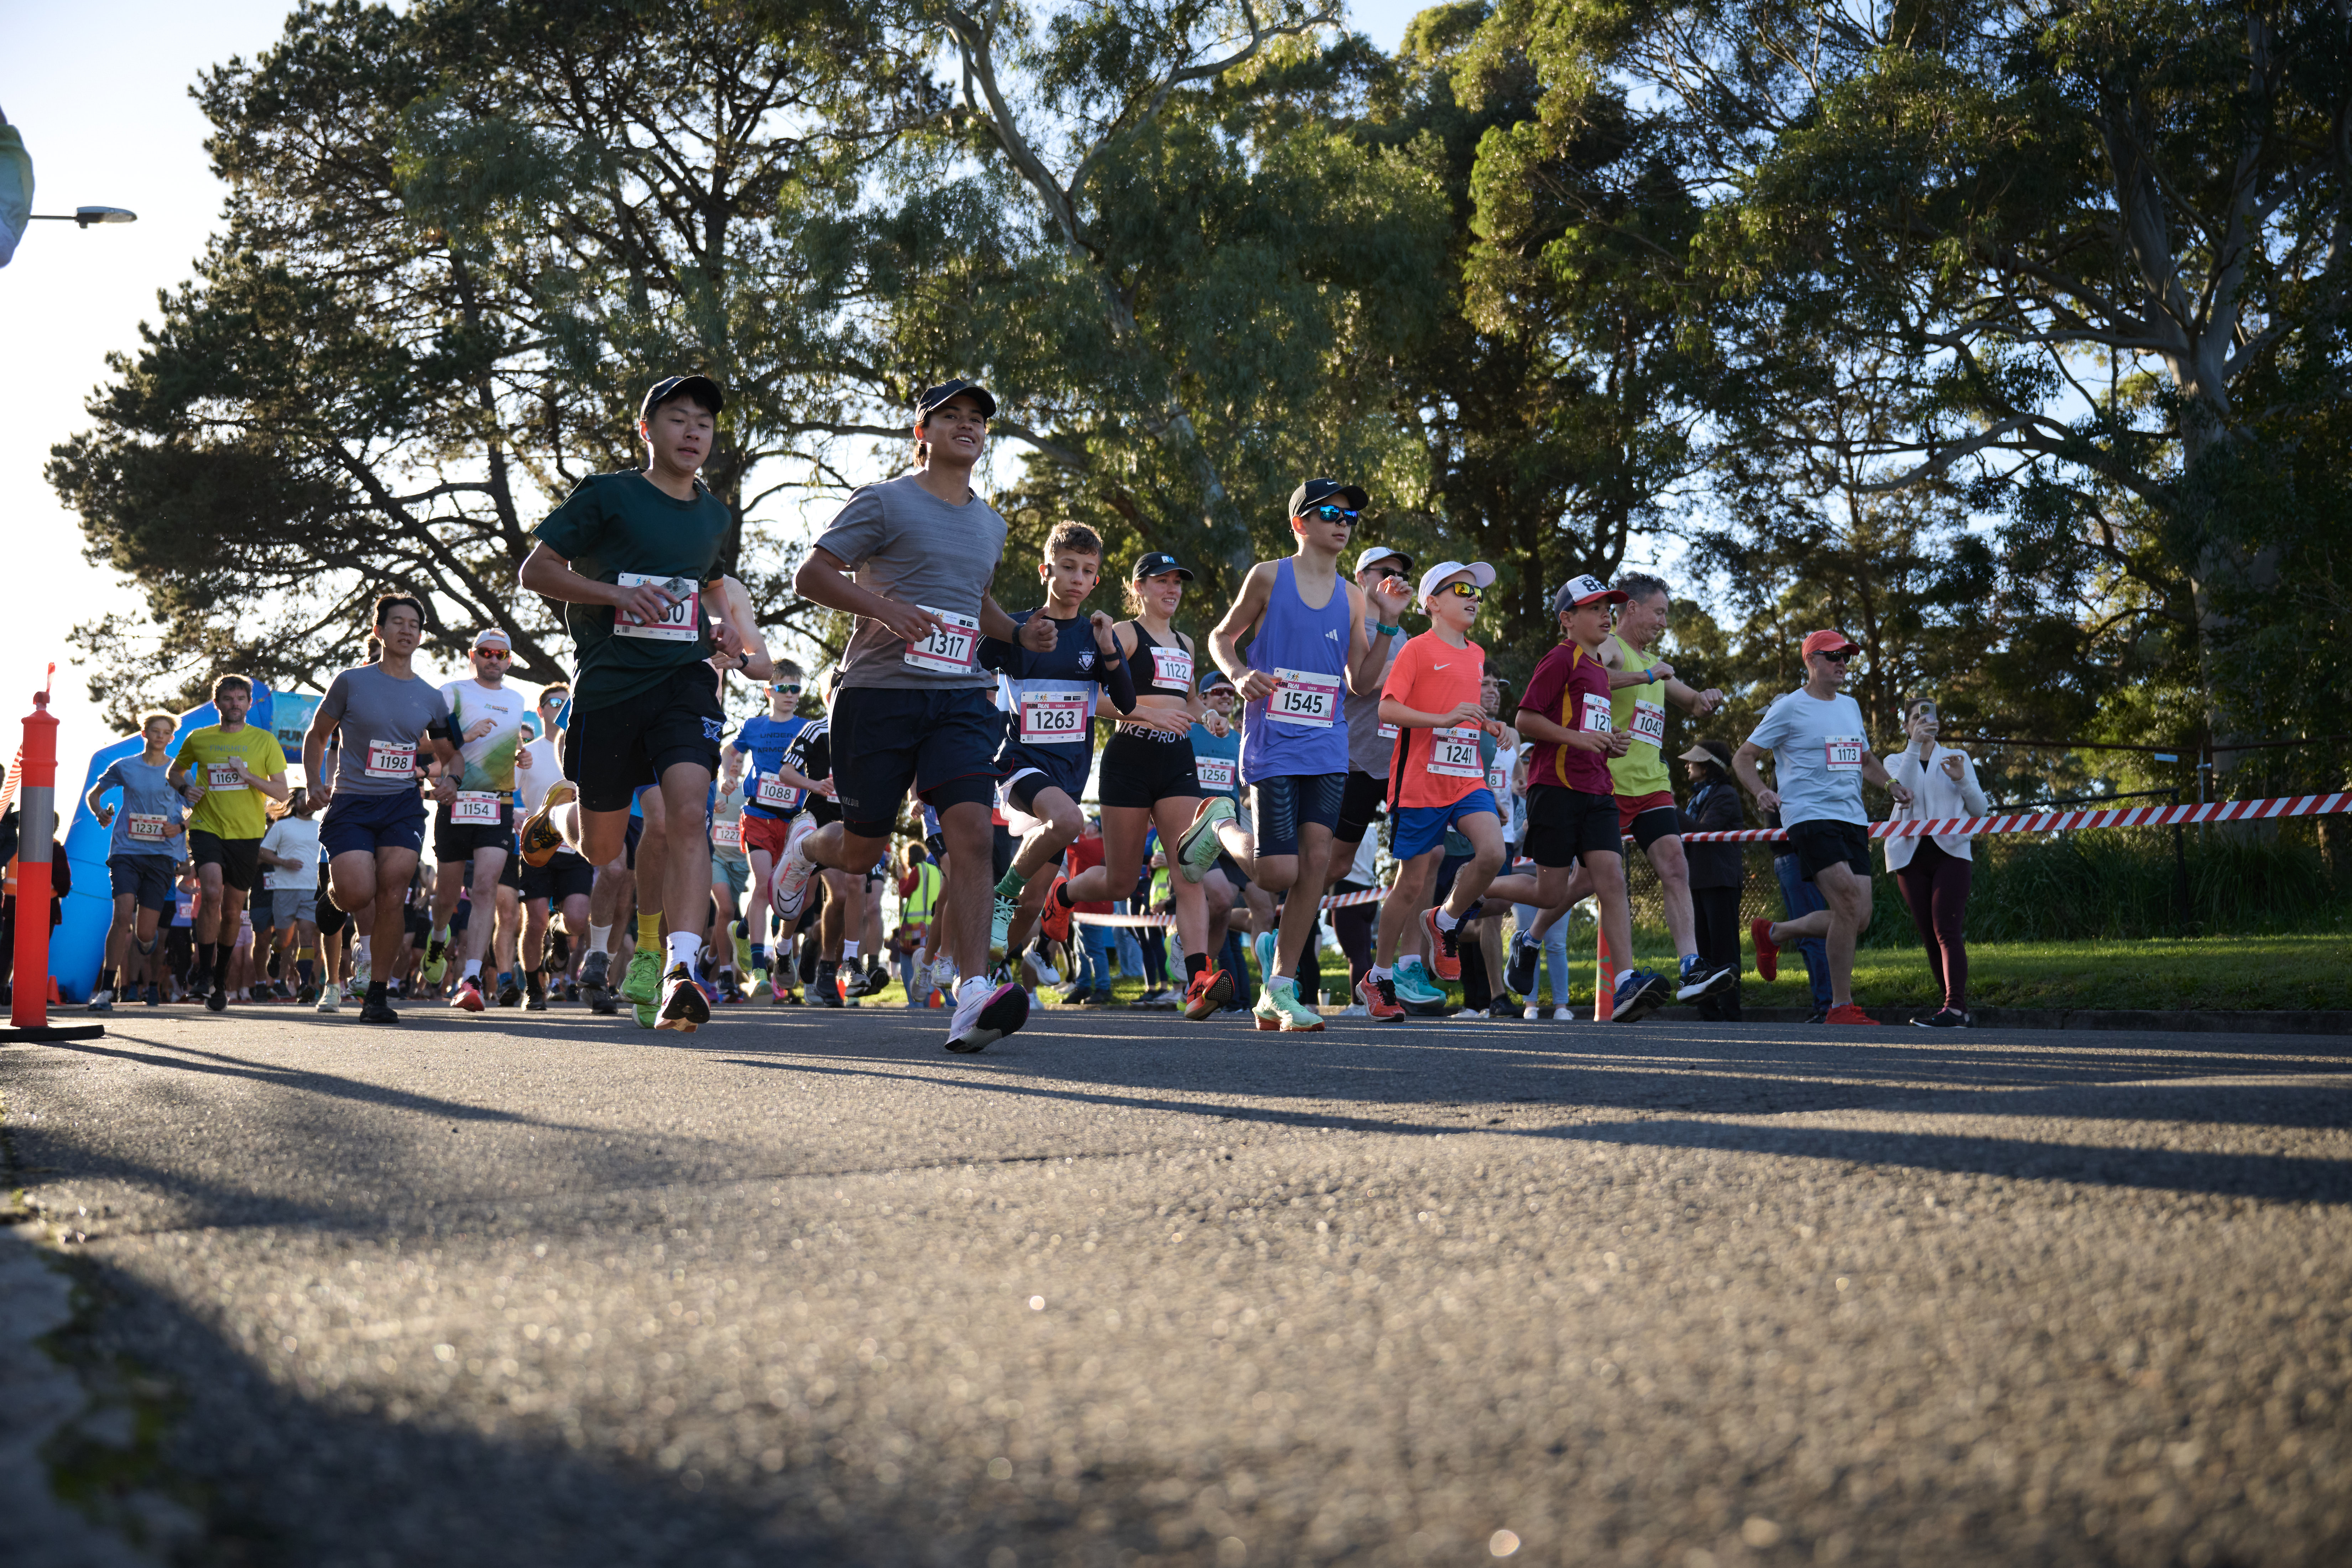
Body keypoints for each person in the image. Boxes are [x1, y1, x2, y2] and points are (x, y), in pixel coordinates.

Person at [773, 379, 1048, 1054]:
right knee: (862, 848)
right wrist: (883, 608)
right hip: (877, 693)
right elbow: (812, 576)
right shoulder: (884, 501)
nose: (967, 425)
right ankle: (807, 849)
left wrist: (1017, 632)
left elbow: (976, 604)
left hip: (960, 695)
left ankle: (973, 990)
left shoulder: (992, 522)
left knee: (973, 836)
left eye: (978, 418)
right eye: (949, 416)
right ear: (920, 432)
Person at [516, 373, 772, 1032]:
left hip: (683, 680)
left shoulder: (715, 514)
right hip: (608, 686)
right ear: (647, 429)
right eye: (678, 419)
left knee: (687, 812)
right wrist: (616, 596)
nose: (693, 432)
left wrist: (717, 629)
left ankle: (679, 972)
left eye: (704, 424)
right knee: (605, 852)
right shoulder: (609, 494)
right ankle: (561, 813)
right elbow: (537, 571)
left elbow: (709, 583)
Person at [1188, 479, 1399, 1031]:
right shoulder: (1268, 575)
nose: (1343, 522)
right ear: (1300, 524)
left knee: (1318, 863)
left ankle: (1278, 989)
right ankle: (1220, 822)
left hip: (1328, 745)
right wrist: (1238, 674)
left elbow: (1361, 681)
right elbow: (1221, 636)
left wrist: (1390, 624)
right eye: (1330, 512)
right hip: (1273, 742)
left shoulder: (1354, 598)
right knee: (1277, 870)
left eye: (1350, 516)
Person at [1034, 550, 1238, 1019]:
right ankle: (1062, 896)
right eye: (1161, 581)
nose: (1172, 589)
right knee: (1122, 879)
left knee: (1188, 870)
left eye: (1177, 582)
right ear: (1138, 588)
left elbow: (1185, 697)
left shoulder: (1186, 642)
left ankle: (1197, 977)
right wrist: (1148, 712)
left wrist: (1206, 715)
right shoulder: (1124, 633)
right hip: (1129, 756)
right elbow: (1093, 696)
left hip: (1176, 761)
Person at [1518, 571, 1734, 1008]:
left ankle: (1690, 965)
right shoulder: (1610, 648)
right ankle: (1530, 937)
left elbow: (1690, 701)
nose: (1664, 622)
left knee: (1674, 864)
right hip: (1606, 784)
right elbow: (1594, 677)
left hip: (1651, 785)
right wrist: (1644, 677)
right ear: (1630, 609)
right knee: (1580, 884)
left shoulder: (1651, 661)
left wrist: (1706, 697)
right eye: (1659, 612)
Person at [1486, 576, 1674, 1022]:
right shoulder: (1559, 659)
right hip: (1556, 788)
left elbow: (1589, 727)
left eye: (1607, 607)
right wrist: (1581, 739)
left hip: (1597, 788)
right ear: (1567, 619)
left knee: (1609, 878)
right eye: (1592, 608)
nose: (1604, 614)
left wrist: (1609, 742)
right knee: (1549, 891)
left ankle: (1625, 980)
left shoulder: (1597, 672)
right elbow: (1526, 718)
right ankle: (1466, 886)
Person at [983, 525, 1138, 990]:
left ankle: (988, 970)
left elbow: (1127, 703)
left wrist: (1109, 645)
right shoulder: (1014, 627)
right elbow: (970, 669)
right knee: (1069, 822)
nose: (1077, 577)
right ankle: (1001, 893)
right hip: (1018, 763)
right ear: (1045, 569)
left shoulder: (1097, 637)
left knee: (1035, 904)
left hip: (1070, 772)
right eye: (1068, 566)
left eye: (1087, 570)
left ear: (1096, 580)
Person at [1356, 561, 1510, 1021]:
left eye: (1477, 592)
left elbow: (1461, 708)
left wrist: (1490, 723)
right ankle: (1379, 975)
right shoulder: (1417, 651)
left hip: (1465, 779)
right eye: (1462, 589)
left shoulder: (1477, 653)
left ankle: (1443, 920)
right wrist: (1441, 721)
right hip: (1419, 781)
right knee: (1412, 884)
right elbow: (1386, 709)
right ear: (1432, 603)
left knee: (1493, 852)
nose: (1474, 597)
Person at [1735, 629, 1913, 1025]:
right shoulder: (1789, 708)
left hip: (1852, 818)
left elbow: (1865, 760)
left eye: (1846, 657)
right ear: (1811, 661)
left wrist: (1890, 783)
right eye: (1833, 656)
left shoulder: (1849, 706)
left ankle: (1775, 933)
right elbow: (1744, 756)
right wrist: (1762, 790)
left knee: (1859, 916)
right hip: (1808, 816)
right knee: (1848, 904)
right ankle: (1839, 1006)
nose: (1842, 664)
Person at [303, 594, 461, 1024]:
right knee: (358, 892)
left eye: (414, 624)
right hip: (352, 802)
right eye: (397, 622)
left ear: (421, 635)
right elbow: (318, 736)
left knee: (393, 893)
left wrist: (450, 780)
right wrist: (315, 783)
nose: (406, 630)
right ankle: (335, 900)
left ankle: (377, 992)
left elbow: (452, 755)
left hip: (402, 806)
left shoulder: (431, 697)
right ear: (379, 631)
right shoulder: (351, 682)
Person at [167, 674, 293, 1012]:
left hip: (248, 833)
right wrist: (185, 790)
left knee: (233, 909)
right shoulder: (199, 738)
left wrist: (248, 775)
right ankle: (203, 973)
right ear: (217, 703)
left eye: (241, 698)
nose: (235, 703)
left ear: (250, 704)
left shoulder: (264, 741)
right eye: (228, 698)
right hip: (208, 826)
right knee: (211, 892)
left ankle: (220, 978)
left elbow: (282, 792)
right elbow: (174, 772)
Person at [424, 628, 531, 1011]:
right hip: (456, 799)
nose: (493, 659)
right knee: (449, 895)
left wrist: (521, 755)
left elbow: (509, 741)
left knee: (485, 887)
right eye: (486, 652)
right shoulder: (451, 692)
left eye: (501, 654)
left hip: (497, 804)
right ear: (473, 655)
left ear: (509, 660)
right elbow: (428, 740)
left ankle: (469, 978)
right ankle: (438, 938)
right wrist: (465, 735)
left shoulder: (517, 700)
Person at [1885, 698, 1986, 1028]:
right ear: (1905, 727)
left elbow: (1979, 809)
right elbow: (1904, 790)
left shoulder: (1957, 757)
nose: (1921, 723)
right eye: (1915, 718)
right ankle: (1956, 1010)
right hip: (1910, 856)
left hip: (1951, 853)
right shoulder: (1895, 760)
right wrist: (1914, 745)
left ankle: (1954, 1008)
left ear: (1937, 724)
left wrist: (1961, 779)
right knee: (1930, 935)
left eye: (1927, 718)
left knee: (1946, 928)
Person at [84, 711, 188, 1011]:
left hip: (162, 855)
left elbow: (201, 808)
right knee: (122, 916)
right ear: (144, 733)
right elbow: (95, 794)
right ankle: (106, 991)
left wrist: (181, 826)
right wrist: (100, 812)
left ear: (171, 738)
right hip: (126, 851)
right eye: (154, 730)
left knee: (145, 933)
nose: (159, 736)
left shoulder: (178, 772)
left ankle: (147, 943)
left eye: (165, 732)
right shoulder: (125, 766)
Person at [724, 663, 807, 998]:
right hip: (757, 814)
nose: (790, 695)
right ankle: (759, 971)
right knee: (762, 885)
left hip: (791, 821)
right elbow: (732, 750)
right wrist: (728, 776)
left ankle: (742, 932)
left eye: (796, 689)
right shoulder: (754, 726)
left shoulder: (807, 728)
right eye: (783, 688)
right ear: (768, 692)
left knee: (778, 889)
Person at [515, 710, 590, 1011]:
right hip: (537, 847)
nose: (560, 707)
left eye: (564, 702)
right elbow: (508, 789)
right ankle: (534, 988)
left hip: (576, 847)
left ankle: (558, 932)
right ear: (541, 709)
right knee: (534, 922)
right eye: (554, 702)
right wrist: (513, 815)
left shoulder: (589, 747)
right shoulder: (529, 752)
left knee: (576, 920)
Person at [1676, 741, 1746, 1022]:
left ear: (1707, 767)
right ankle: (1707, 1012)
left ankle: (1731, 1012)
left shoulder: (1725, 795)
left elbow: (1704, 831)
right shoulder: (1700, 796)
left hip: (1719, 881)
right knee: (1702, 948)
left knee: (1725, 948)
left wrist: (1670, 808)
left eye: (1693, 761)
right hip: (1698, 881)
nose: (1687, 765)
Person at [256, 787, 324, 1004]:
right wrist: (284, 862)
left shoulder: (321, 827)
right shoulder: (282, 826)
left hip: (311, 889)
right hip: (285, 889)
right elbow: (263, 852)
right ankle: (276, 952)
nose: (308, 801)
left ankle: (305, 985)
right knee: (285, 940)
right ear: (295, 802)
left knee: (307, 935)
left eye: (310, 797)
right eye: (304, 797)